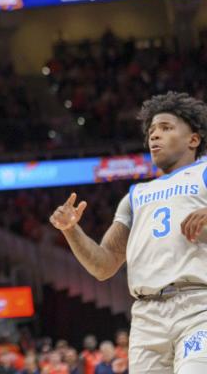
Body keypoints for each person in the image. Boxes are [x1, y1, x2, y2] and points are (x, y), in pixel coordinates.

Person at [49, 91, 207, 373]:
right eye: (151, 131)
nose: (154, 136)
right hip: (147, 316)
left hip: (198, 305)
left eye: (166, 128)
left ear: (193, 139)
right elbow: (103, 265)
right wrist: (71, 231)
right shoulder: (135, 195)